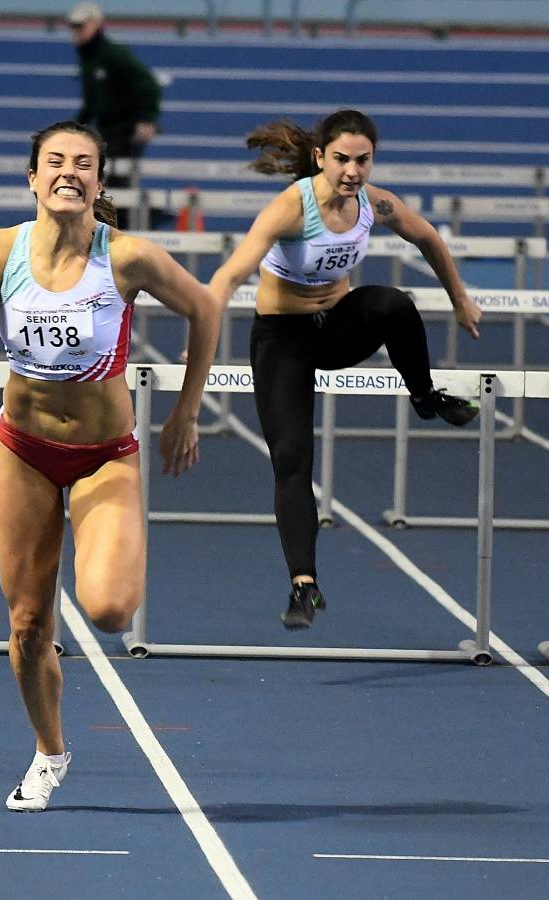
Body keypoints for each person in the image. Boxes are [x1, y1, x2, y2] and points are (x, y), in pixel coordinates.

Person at [0, 121, 219, 812]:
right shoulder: (3, 252)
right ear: (33, 178)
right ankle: (49, 753)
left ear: (98, 181)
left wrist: (185, 412)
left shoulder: (127, 256)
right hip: (23, 453)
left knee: (111, 610)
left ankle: (116, 550)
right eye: (55, 161)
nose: (69, 171)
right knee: (28, 624)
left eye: (83, 163)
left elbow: (205, 308)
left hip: (102, 457)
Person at [205, 109, 483, 630]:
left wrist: (460, 299)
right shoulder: (291, 208)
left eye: (363, 160)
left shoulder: (375, 203)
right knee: (292, 458)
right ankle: (304, 585)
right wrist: (204, 336)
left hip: (336, 328)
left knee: (393, 303)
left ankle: (425, 397)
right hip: (282, 338)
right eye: (341, 160)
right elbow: (229, 275)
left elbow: (428, 238)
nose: (352, 171)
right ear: (319, 158)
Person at [67, 2, 161, 190]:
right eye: (73, 26)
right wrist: (74, 128)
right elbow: (92, 102)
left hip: (126, 130)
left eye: (81, 26)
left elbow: (148, 83)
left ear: (96, 24)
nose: (76, 31)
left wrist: (147, 119)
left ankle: (135, 207)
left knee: (117, 181)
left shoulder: (113, 54)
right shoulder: (88, 58)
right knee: (107, 181)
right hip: (107, 130)